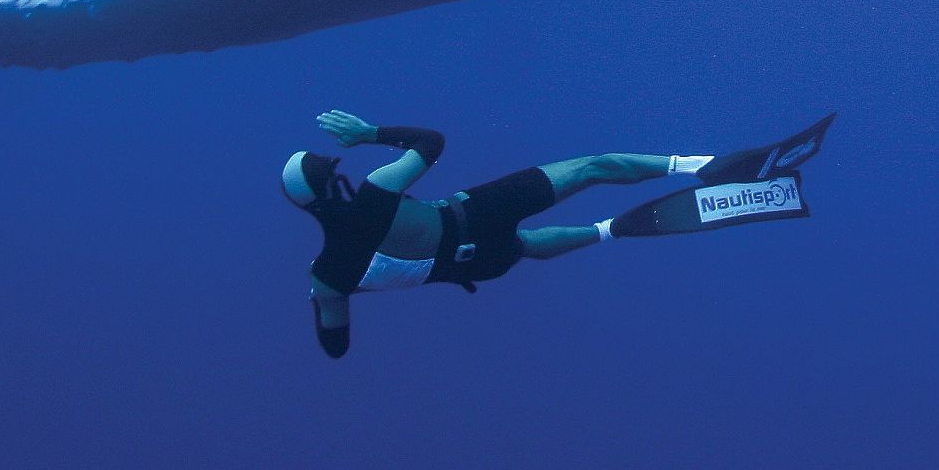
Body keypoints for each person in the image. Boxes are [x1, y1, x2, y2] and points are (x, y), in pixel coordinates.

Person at [282, 108, 828, 358]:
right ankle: (701, 167)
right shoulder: (376, 194)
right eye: (333, 173)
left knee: (522, 248)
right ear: (330, 189)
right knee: (591, 167)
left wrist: (325, 300)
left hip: (477, 266)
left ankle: (611, 231)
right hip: (476, 211)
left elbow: (336, 345)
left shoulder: (328, 275)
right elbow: (431, 142)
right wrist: (371, 133)